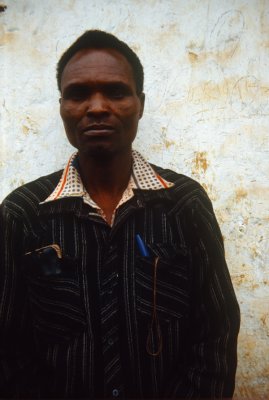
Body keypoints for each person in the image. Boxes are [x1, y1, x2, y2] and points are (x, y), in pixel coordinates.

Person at [0, 30, 240, 399]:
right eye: (78, 94)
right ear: (62, 105)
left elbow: (216, 331)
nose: (96, 107)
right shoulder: (23, 214)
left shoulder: (184, 204)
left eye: (115, 91)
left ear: (140, 104)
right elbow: (8, 345)